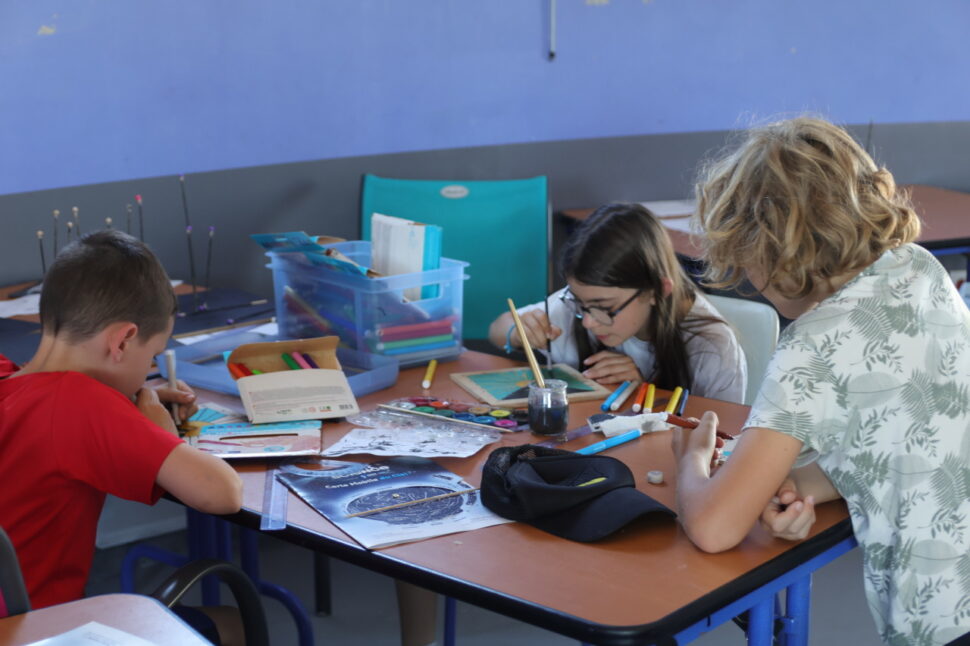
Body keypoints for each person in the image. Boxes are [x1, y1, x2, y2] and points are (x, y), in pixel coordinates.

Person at [673, 116, 970, 644]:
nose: (752, 283)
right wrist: (786, 486)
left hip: (945, 613)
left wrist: (693, 464)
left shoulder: (812, 346)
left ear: (768, 247)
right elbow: (902, 433)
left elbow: (715, 529)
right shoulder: (920, 270)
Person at [0, 230, 243, 639]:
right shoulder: (80, 404)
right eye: (150, 357)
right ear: (124, 339)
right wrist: (162, 433)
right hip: (35, 629)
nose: (148, 370)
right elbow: (222, 493)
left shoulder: (11, 376)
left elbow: (44, 418)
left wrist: (126, 408)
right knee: (231, 623)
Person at [488, 202, 747, 403]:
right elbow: (497, 330)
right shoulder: (578, 305)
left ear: (658, 290)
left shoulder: (712, 347)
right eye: (580, 302)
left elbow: (720, 442)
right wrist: (516, 332)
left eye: (605, 307)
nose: (588, 321)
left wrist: (645, 394)